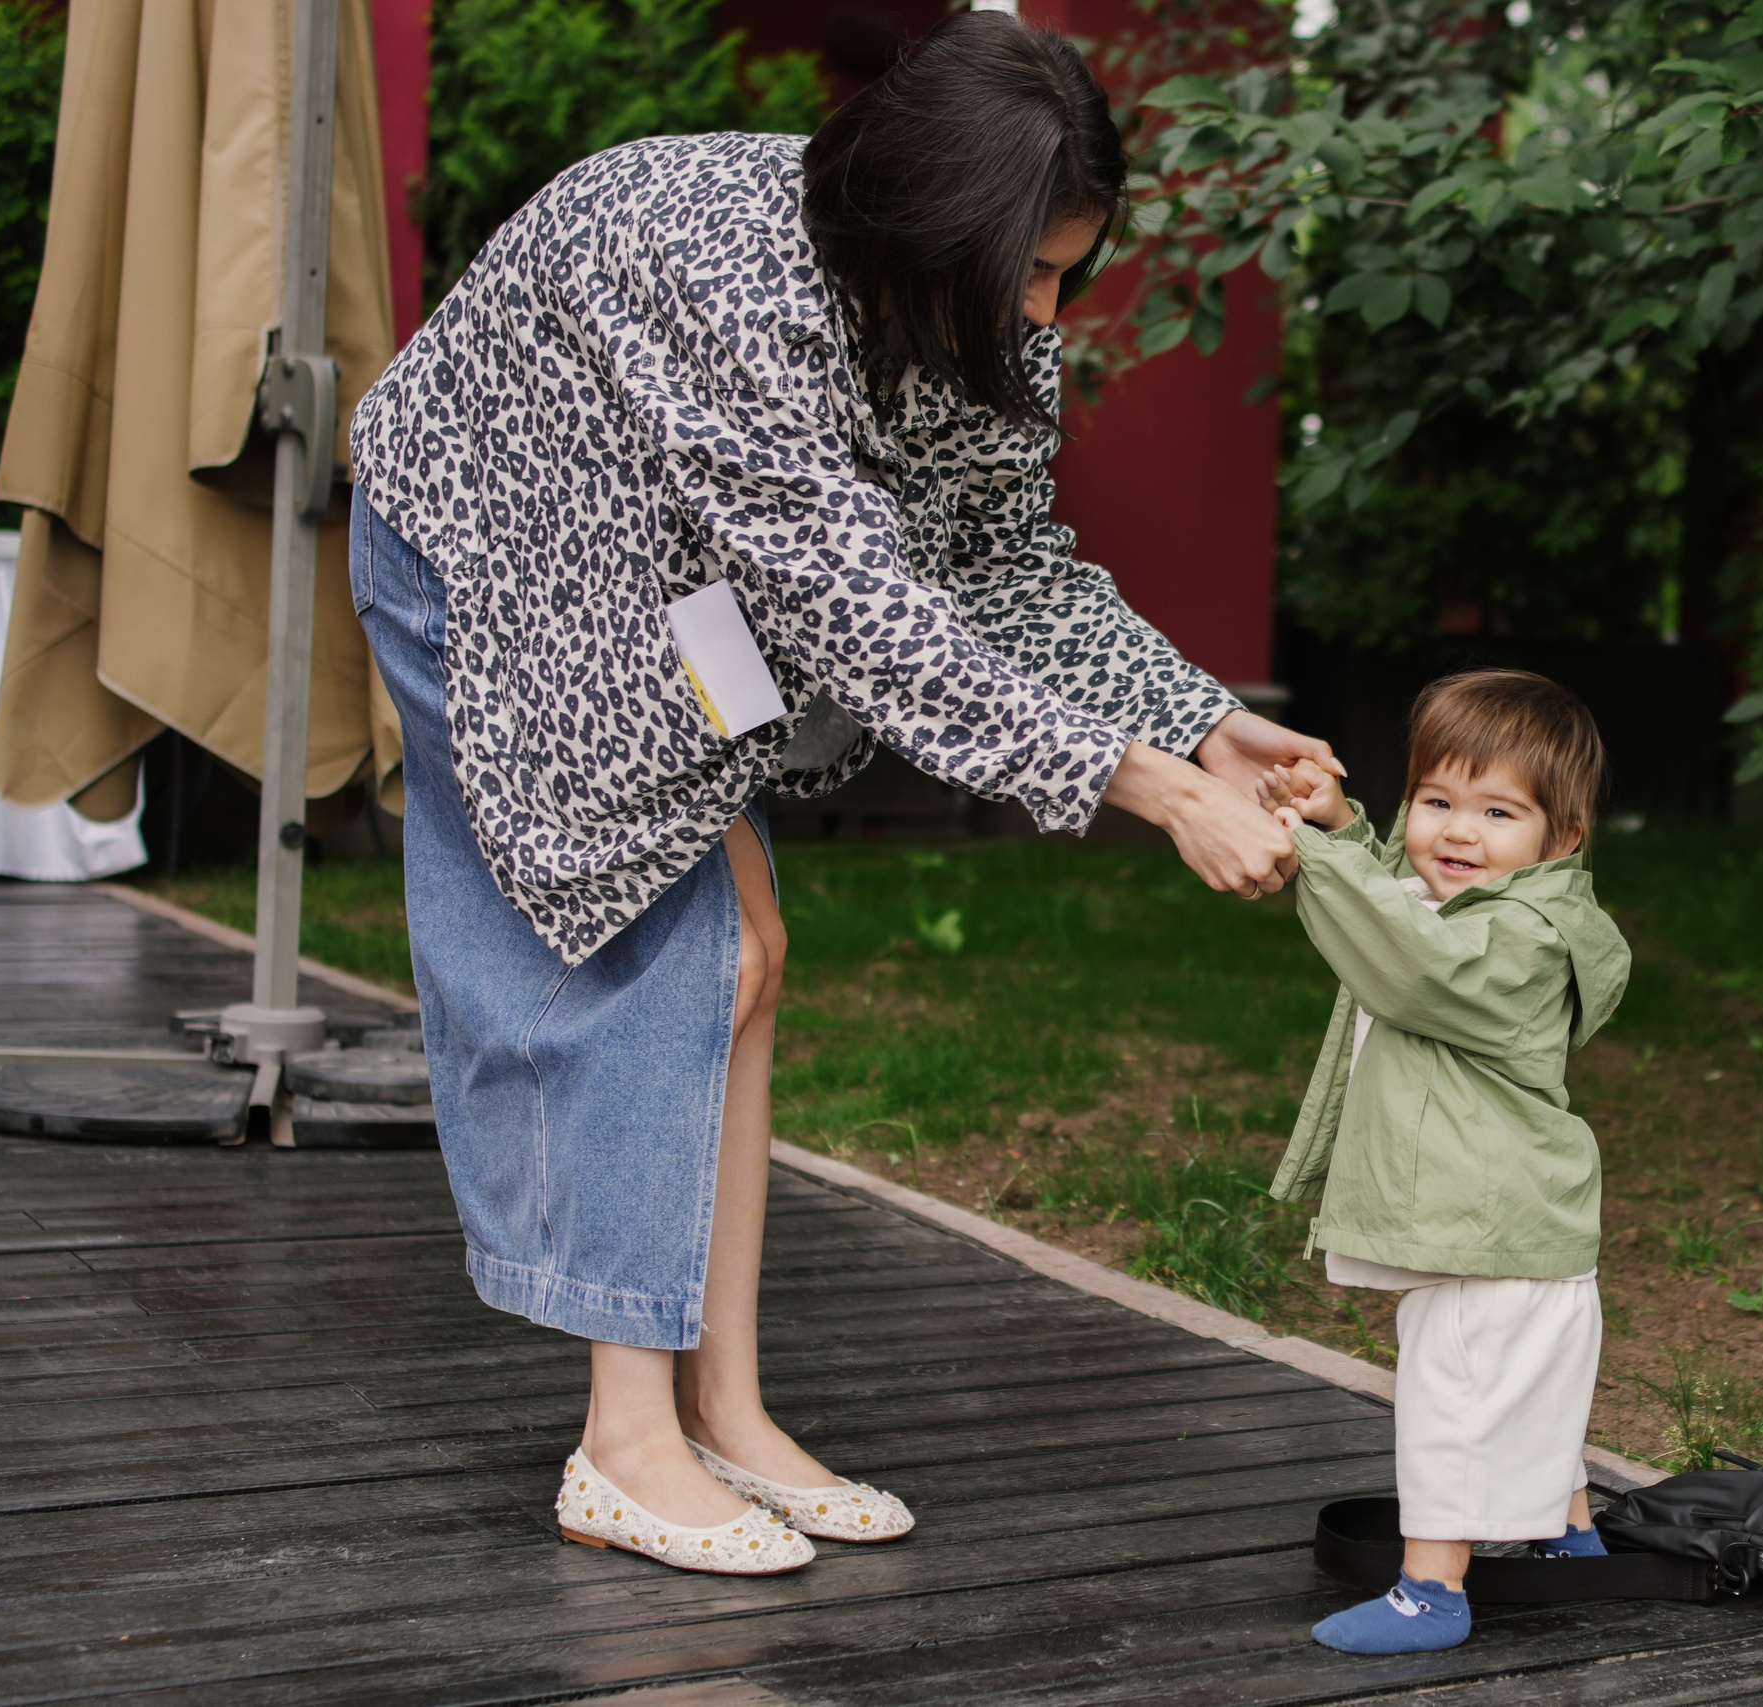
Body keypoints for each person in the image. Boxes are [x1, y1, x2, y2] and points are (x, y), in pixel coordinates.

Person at [348, 12, 1335, 1577]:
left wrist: (1207, 720)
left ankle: (724, 1408)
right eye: (1029, 273)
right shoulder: (728, 278)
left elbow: (1000, 564)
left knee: (751, 954)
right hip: (504, 540)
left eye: (1067, 273)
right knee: (653, 963)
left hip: (679, 576)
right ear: (926, 219)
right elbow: (866, 619)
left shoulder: (981, 308)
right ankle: (623, 1438)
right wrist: (1145, 786)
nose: (1045, 312)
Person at [1256, 670, 1630, 1652]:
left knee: (1452, 1404)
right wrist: (1341, 825)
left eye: (1498, 812)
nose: (1457, 832)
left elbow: (1408, 959)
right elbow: (1403, 907)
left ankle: (1432, 1593)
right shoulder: (1479, 906)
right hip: (1509, 1219)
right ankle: (1569, 1541)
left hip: (1490, 1230)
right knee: (1519, 1394)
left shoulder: (1518, 939)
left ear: (1563, 839)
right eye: (1436, 802)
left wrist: (1311, 853)